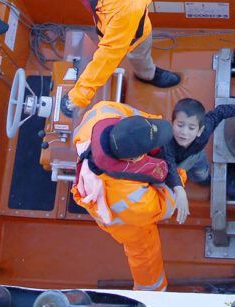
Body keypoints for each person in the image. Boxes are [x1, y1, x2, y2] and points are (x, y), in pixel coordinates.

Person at [71, 101, 188, 291]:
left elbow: (144, 121)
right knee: (145, 256)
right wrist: (180, 172)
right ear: (134, 159)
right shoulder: (130, 200)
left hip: (109, 184)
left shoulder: (102, 111)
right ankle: (151, 295)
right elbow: (166, 206)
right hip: (126, 222)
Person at [168, 96, 235, 186]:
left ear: (200, 131)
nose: (184, 132)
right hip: (177, 162)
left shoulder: (204, 132)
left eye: (191, 128)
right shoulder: (165, 144)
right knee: (178, 173)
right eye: (180, 125)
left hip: (197, 153)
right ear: (172, 123)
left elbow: (220, 112)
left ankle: (201, 179)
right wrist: (178, 188)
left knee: (201, 173)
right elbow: (170, 168)